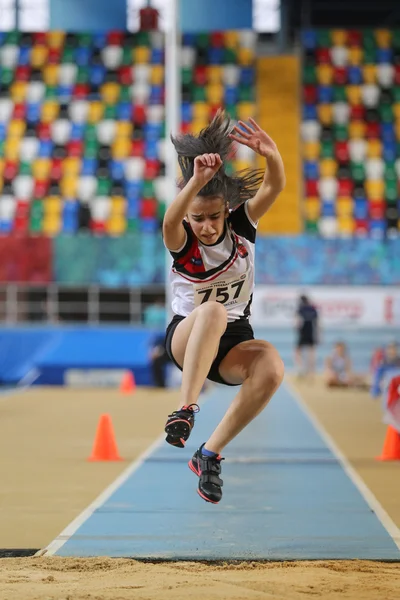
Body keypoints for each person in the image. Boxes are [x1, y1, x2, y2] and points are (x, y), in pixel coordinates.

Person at [161, 110, 286, 504]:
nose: (208, 226)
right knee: (212, 312)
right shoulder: (183, 241)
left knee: (271, 364)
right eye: (198, 218)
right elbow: (170, 220)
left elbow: (275, 186)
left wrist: (272, 155)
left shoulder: (242, 227)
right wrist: (195, 181)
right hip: (189, 335)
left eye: (214, 217)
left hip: (232, 343)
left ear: (226, 210)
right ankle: (184, 409)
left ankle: (208, 456)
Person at [294, 294, 319, 378]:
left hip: (303, 332)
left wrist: (297, 329)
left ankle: (300, 369)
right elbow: (317, 323)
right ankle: (311, 371)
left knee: (297, 351)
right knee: (311, 352)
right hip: (311, 331)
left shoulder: (300, 309)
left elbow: (297, 323)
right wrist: (318, 335)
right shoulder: (313, 309)